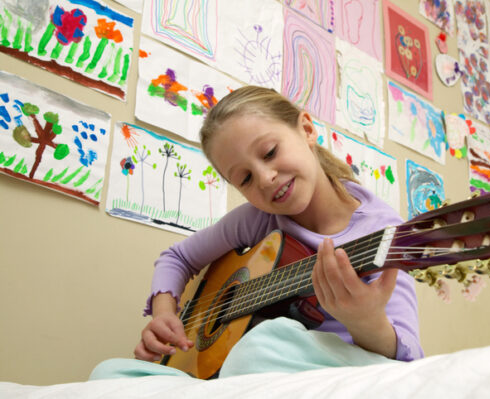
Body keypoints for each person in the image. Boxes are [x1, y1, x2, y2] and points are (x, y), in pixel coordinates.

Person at [133, 86, 424, 372]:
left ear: (307, 130)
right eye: (245, 179)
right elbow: (177, 258)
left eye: (270, 152)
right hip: (257, 364)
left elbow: (408, 357)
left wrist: (366, 322)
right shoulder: (257, 219)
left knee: (256, 350)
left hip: (337, 367)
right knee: (111, 371)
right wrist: (164, 314)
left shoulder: (384, 231)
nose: (265, 178)